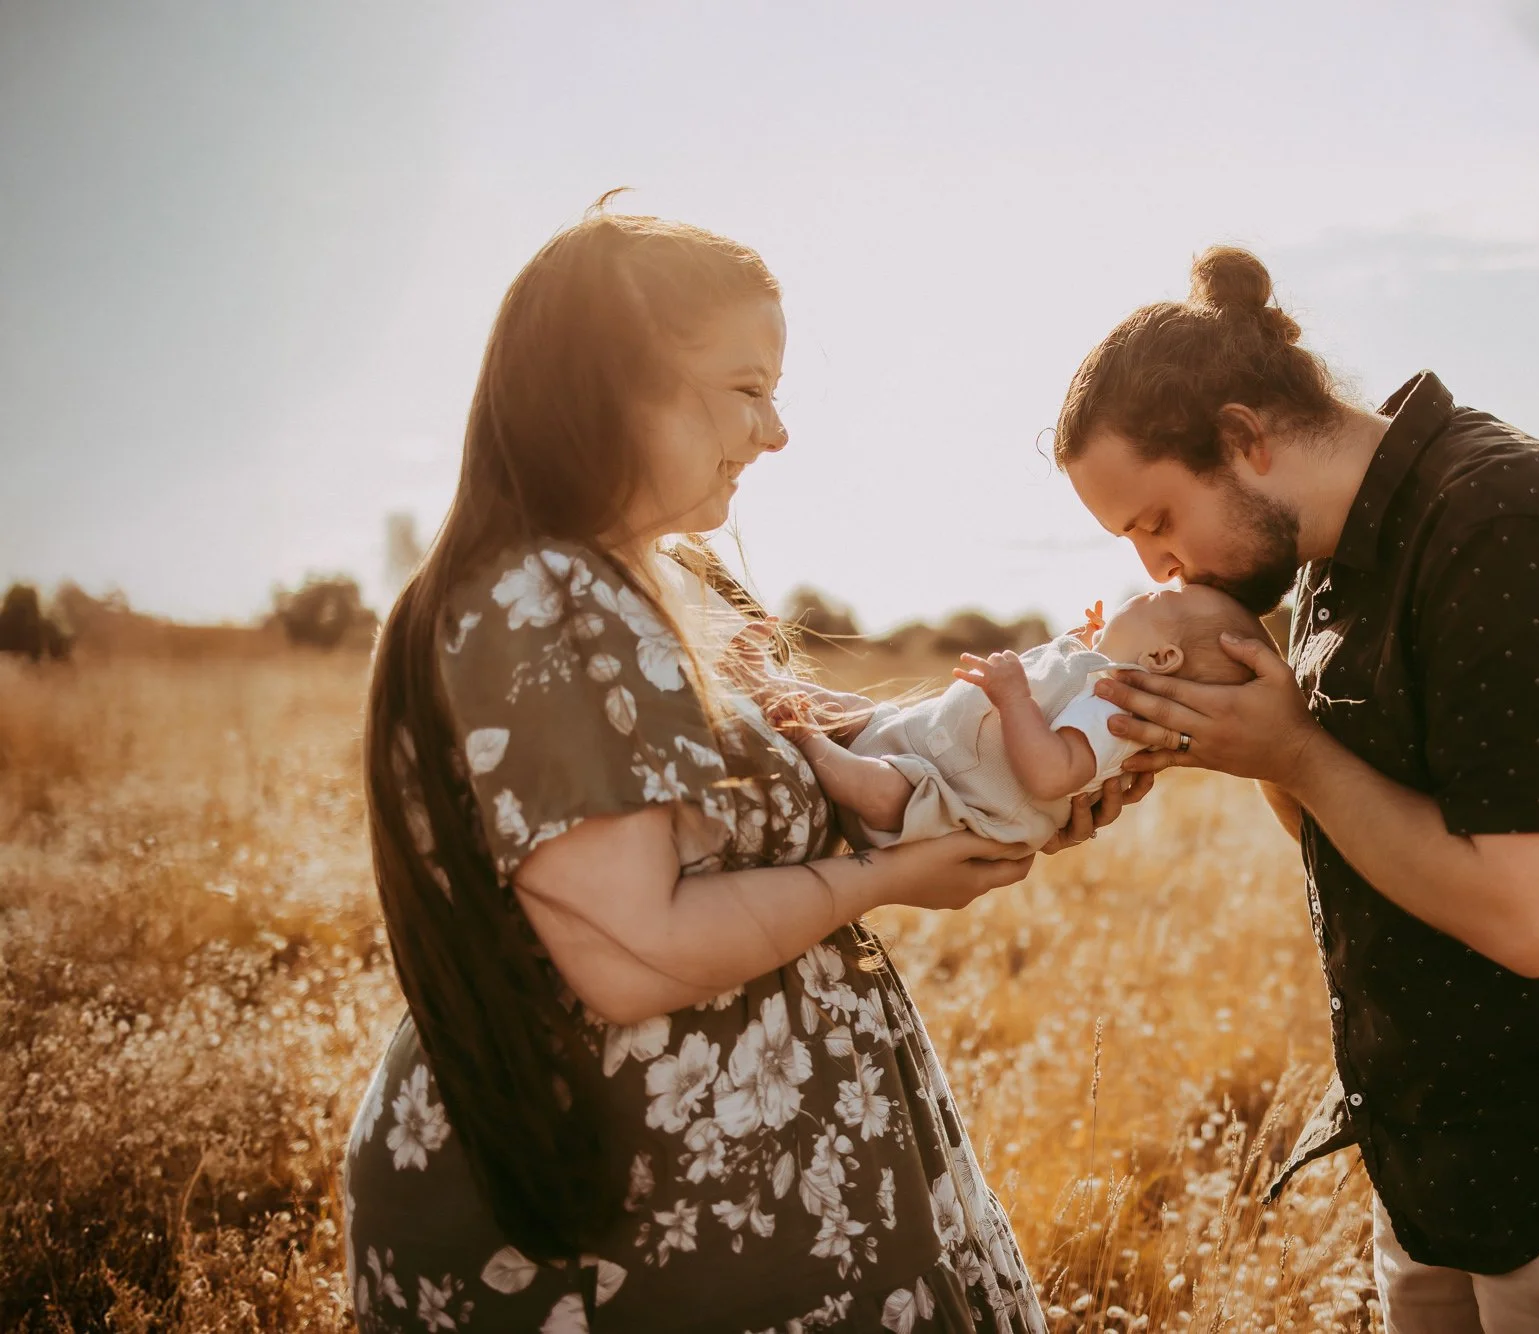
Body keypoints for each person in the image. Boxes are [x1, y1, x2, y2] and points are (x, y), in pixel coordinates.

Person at [343, 201, 1147, 1333]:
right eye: (744, 387)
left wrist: (1025, 759)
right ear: (608, 387)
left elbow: (829, 765)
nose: (775, 432)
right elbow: (634, 955)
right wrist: (883, 882)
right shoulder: (538, 600)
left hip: (741, 1196)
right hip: (623, 1217)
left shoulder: (666, 584)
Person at [1057, 245, 1539, 1332]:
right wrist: (1249, 742)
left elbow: (1528, 915)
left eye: (1155, 521)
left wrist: (1295, 752)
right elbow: (1357, 821)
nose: (1157, 567)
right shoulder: (1334, 558)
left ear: (1242, 438)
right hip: (1455, 1172)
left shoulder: (1513, 527)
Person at [793, 585, 1267, 847]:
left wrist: (1015, 699)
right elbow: (1060, 696)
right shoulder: (1099, 684)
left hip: (939, 794)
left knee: (881, 791)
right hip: (918, 742)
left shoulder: (1116, 713)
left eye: (1160, 600)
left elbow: (1049, 774)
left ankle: (806, 739)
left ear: (1162, 658)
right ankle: (768, 682)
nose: (1149, 590)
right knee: (855, 709)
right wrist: (1085, 645)